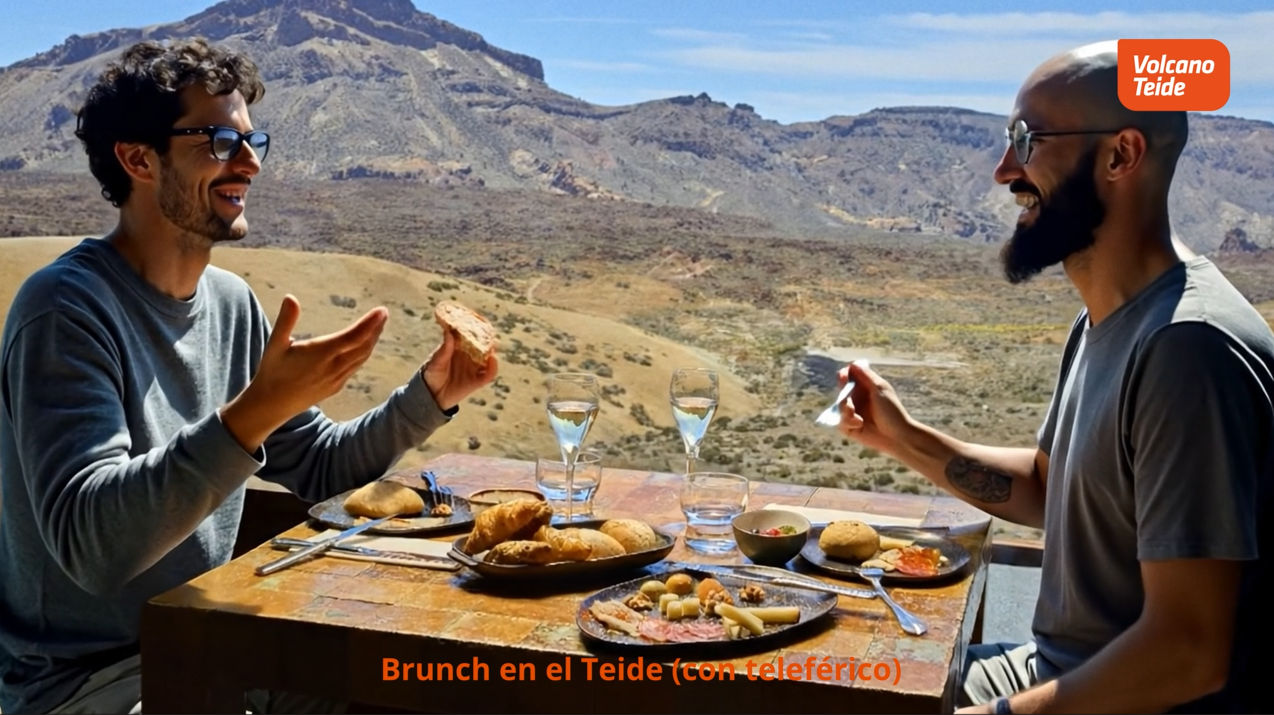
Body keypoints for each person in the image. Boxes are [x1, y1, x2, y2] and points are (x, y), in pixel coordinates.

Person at [0, 38, 497, 714]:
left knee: (423, 690)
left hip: (208, 649)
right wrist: (252, 414)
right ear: (138, 158)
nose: (251, 161)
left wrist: (432, 395)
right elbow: (95, 549)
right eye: (220, 140)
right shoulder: (63, 310)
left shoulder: (232, 306)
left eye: (252, 138)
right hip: (90, 684)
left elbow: (321, 468)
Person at [836, 40, 1273, 714]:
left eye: (1025, 138)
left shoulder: (1188, 349)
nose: (1003, 170)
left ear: (1121, 154)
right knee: (838, 676)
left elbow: (1189, 651)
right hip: (1053, 669)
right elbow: (1050, 488)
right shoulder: (1108, 320)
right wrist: (904, 436)